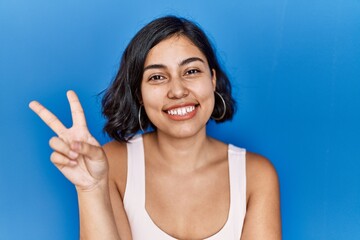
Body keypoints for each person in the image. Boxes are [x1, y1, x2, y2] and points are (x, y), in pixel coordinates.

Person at [29, 16, 281, 240]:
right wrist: (91, 189)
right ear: (139, 93)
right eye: (157, 77)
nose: (178, 90)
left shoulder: (256, 175)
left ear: (212, 80)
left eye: (191, 71)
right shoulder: (114, 163)